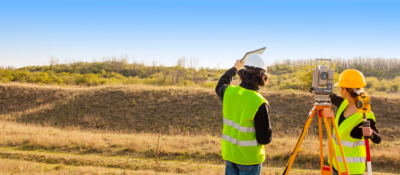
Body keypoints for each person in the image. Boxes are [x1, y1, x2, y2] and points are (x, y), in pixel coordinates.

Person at [215, 54, 272, 175]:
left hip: (230, 156)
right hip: (249, 159)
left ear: (243, 74)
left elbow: (220, 84)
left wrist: (234, 68)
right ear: (263, 77)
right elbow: (264, 139)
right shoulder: (260, 103)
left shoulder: (229, 92)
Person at [329, 69, 382, 175]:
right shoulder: (343, 104)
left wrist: (371, 133)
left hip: (352, 171)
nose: (339, 90)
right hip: (336, 166)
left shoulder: (365, 114)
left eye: (340, 87)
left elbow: (378, 139)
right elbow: (332, 97)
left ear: (345, 90)